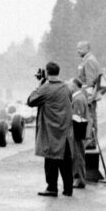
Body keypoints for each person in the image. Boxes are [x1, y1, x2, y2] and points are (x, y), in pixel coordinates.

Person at [27, 62, 75, 197]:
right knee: (65, 160)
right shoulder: (66, 87)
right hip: (64, 129)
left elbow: (30, 100)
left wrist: (40, 83)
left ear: (47, 73)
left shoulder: (46, 88)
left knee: (50, 159)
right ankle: (68, 189)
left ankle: (52, 187)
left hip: (50, 130)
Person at [76, 41, 101, 143]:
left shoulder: (89, 61)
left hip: (88, 95)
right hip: (87, 94)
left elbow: (91, 82)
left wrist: (89, 98)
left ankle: (91, 142)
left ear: (87, 48)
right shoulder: (87, 59)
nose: (78, 51)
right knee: (90, 117)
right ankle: (91, 141)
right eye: (77, 48)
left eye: (80, 48)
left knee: (89, 117)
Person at [68, 78, 90, 189]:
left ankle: (79, 179)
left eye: (70, 85)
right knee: (78, 155)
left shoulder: (77, 99)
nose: (68, 87)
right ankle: (78, 179)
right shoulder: (80, 97)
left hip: (76, 132)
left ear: (74, 86)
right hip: (78, 131)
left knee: (77, 156)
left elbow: (77, 118)